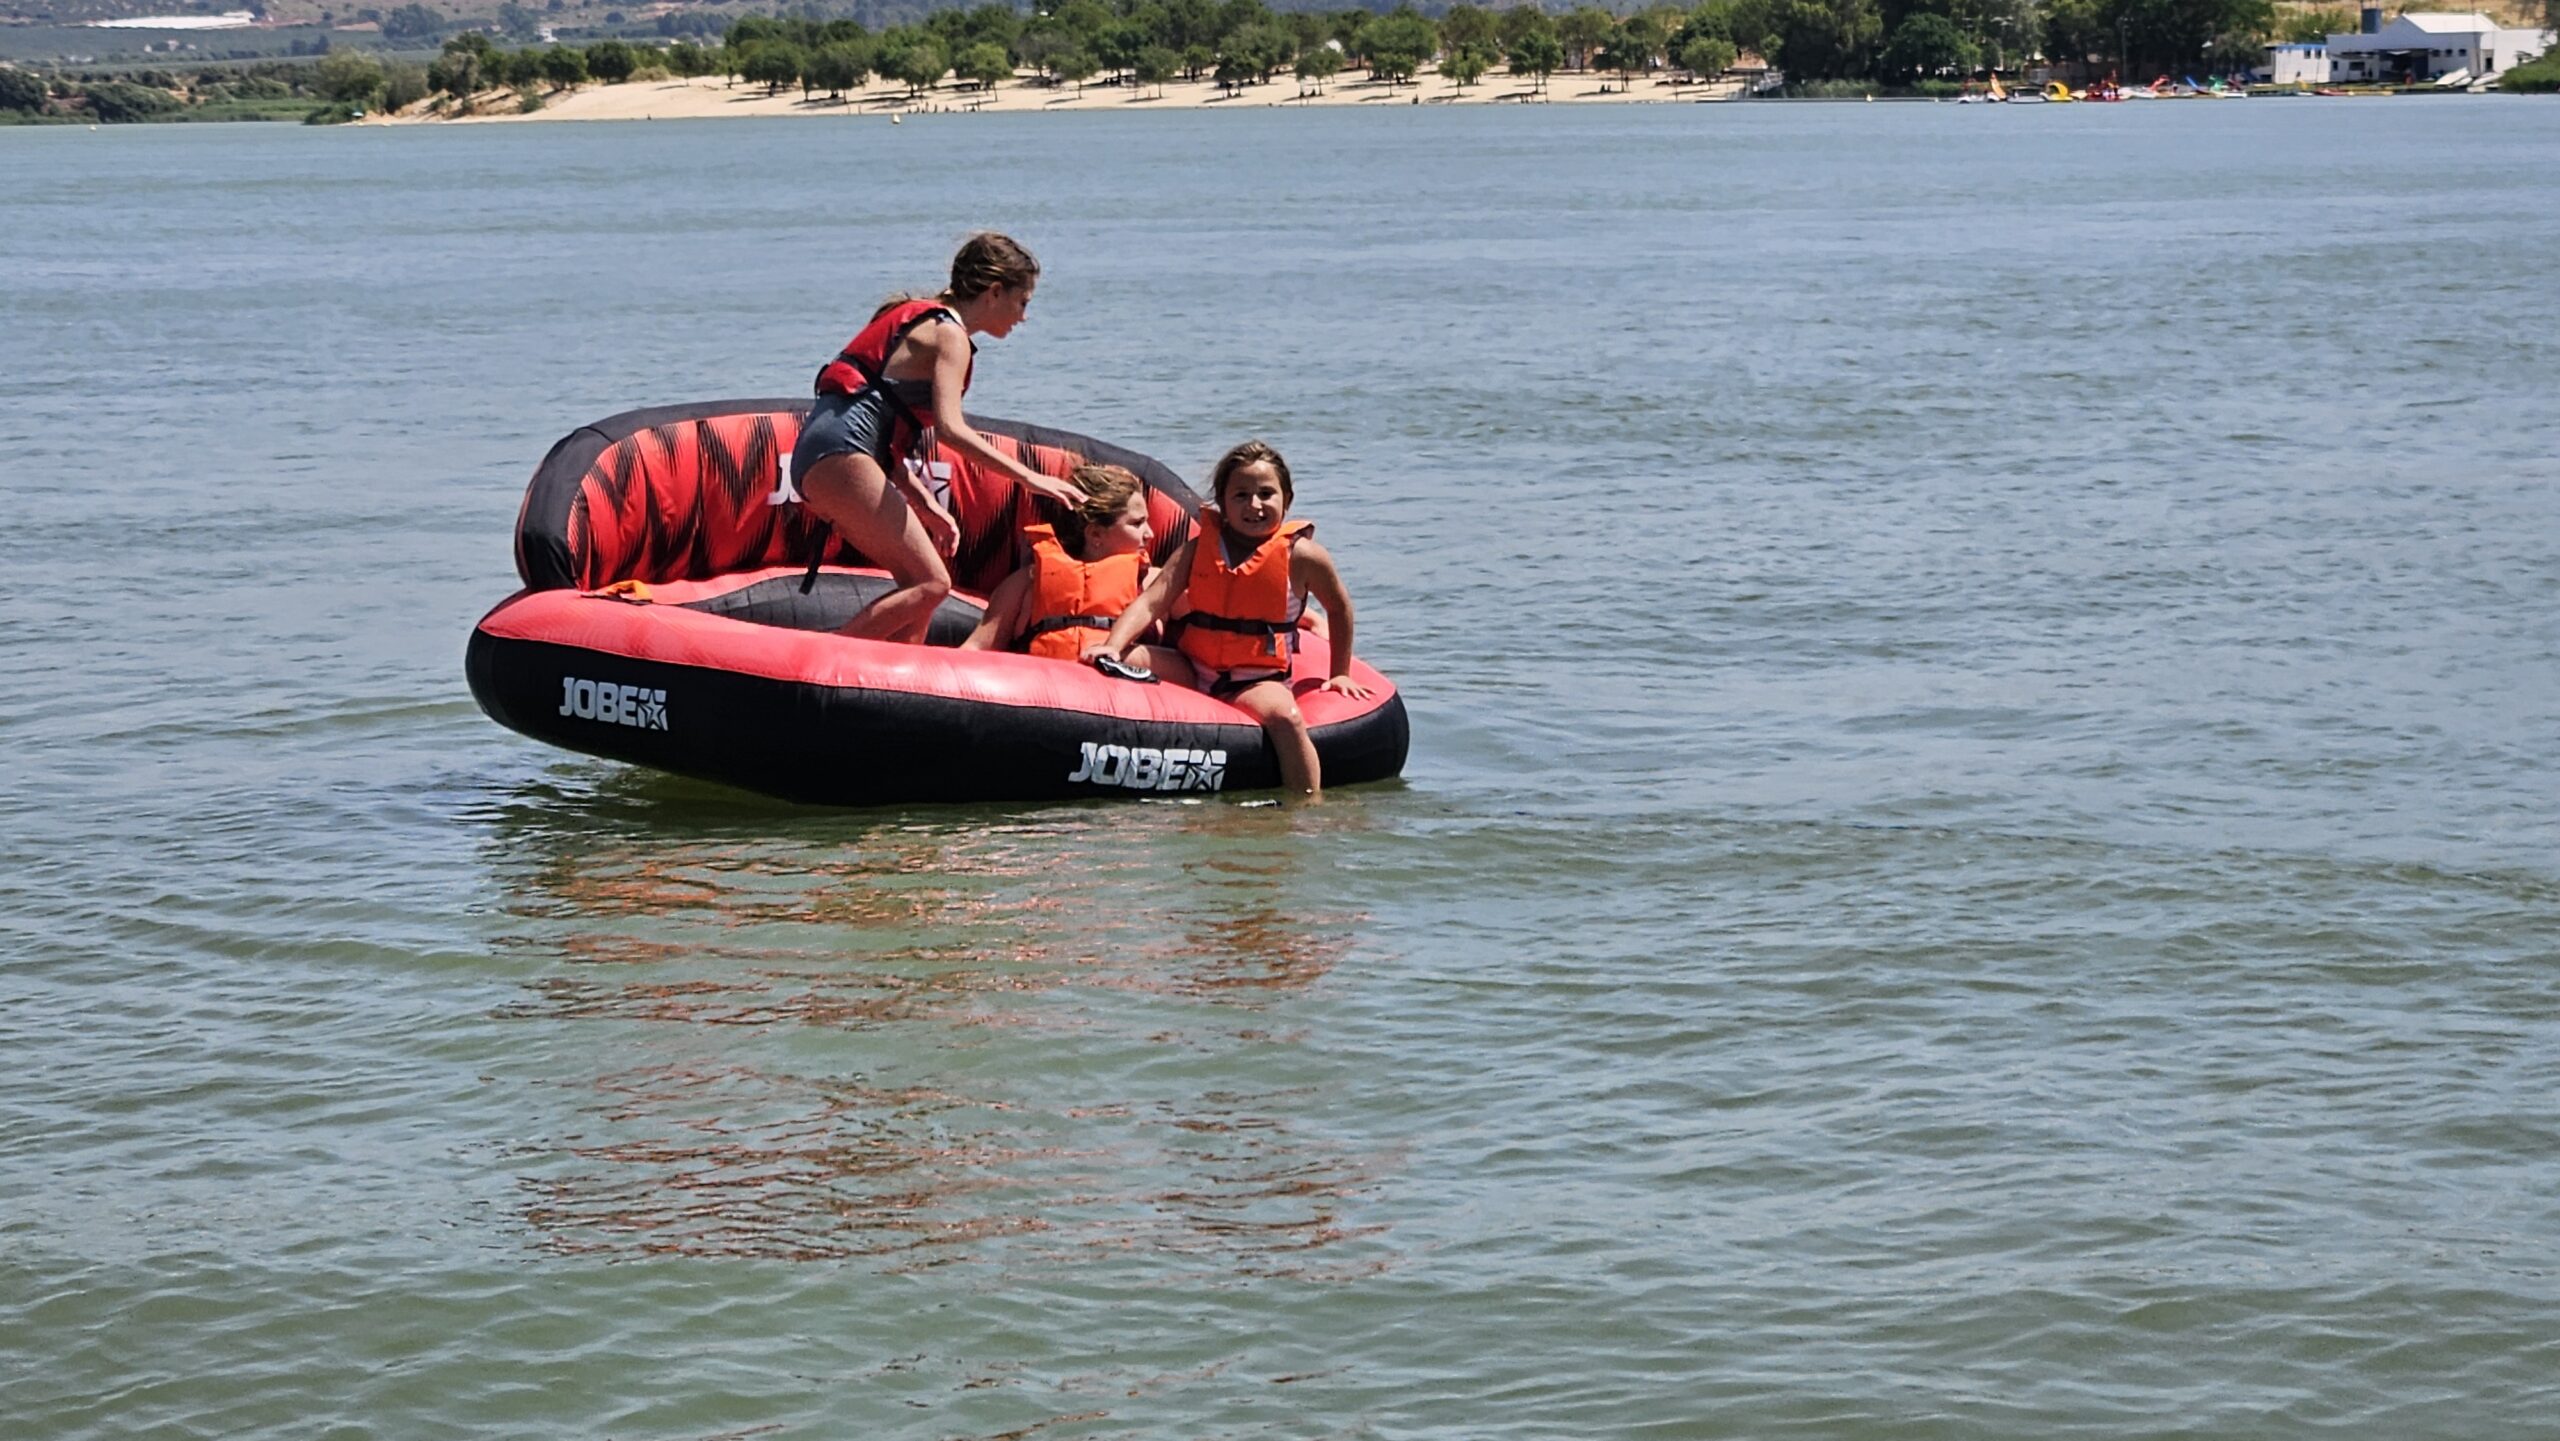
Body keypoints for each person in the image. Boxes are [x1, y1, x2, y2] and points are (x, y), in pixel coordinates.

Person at [790, 232, 1082, 643]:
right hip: (840, 452)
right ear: (995, 291)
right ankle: (819, 668)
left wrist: (927, 505)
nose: (1023, 317)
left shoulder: (921, 317)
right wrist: (1030, 478)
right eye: (1023, 302)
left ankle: (900, 687)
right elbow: (951, 428)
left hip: (828, 452)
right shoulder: (950, 335)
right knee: (932, 584)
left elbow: (884, 435)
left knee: (918, 586)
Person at [1092, 440, 1369, 797]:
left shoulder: (1304, 557)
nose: (1254, 505)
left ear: (1287, 499)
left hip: (1254, 681)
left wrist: (1340, 673)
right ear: (1222, 503)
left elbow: (1340, 608)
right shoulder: (1196, 550)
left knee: (1287, 718)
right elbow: (1152, 602)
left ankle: (1305, 808)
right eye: (1241, 495)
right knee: (1115, 663)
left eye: (1266, 494)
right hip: (1193, 667)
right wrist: (1113, 647)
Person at [960, 463, 1154, 658]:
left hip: (1120, 683)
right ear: (1096, 534)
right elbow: (976, 649)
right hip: (1042, 682)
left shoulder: (1153, 584)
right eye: (1137, 523)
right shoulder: (1027, 582)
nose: (1150, 534)